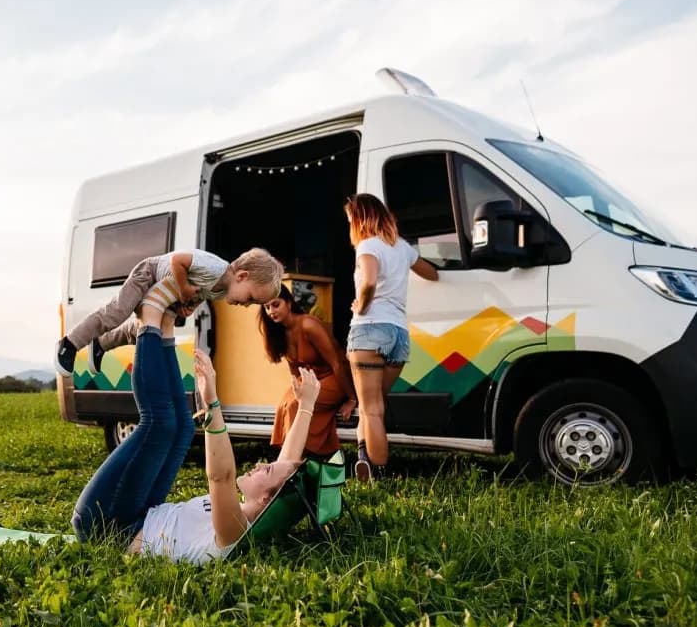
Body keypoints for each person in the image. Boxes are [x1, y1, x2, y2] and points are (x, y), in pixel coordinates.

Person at [71, 300, 322, 564]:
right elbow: (286, 465)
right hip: (144, 511)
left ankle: (150, 324)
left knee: (158, 424)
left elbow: (221, 477)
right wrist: (306, 405)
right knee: (182, 428)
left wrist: (212, 400)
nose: (260, 464)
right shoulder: (262, 510)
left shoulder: (235, 530)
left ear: (265, 498)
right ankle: (164, 329)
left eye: (267, 470)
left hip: (109, 526)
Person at [55, 247, 284, 377]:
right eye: (251, 298)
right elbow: (178, 261)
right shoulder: (215, 267)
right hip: (150, 273)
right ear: (242, 276)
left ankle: (102, 344)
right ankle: (69, 344)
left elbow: (199, 294)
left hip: (167, 291)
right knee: (118, 312)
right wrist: (184, 288)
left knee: (142, 330)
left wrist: (188, 305)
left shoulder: (220, 290)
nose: (247, 305)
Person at [344, 194, 439, 481]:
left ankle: (379, 474)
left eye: (350, 219)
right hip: (399, 335)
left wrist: (361, 304)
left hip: (370, 329)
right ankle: (364, 456)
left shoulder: (367, 245)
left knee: (371, 409)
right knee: (372, 405)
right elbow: (431, 273)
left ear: (360, 218)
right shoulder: (402, 248)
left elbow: (370, 280)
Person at [259, 285, 357, 459]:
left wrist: (351, 398)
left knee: (296, 405)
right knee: (285, 405)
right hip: (311, 381)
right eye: (267, 307)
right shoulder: (280, 332)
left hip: (334, 378)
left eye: (276, 304)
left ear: (288, 303)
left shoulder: (308, 325)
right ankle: (297, 456)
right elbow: (294, 371)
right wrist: (296, 391)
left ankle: (294, 458)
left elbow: (337, 364)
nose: (271, 311)